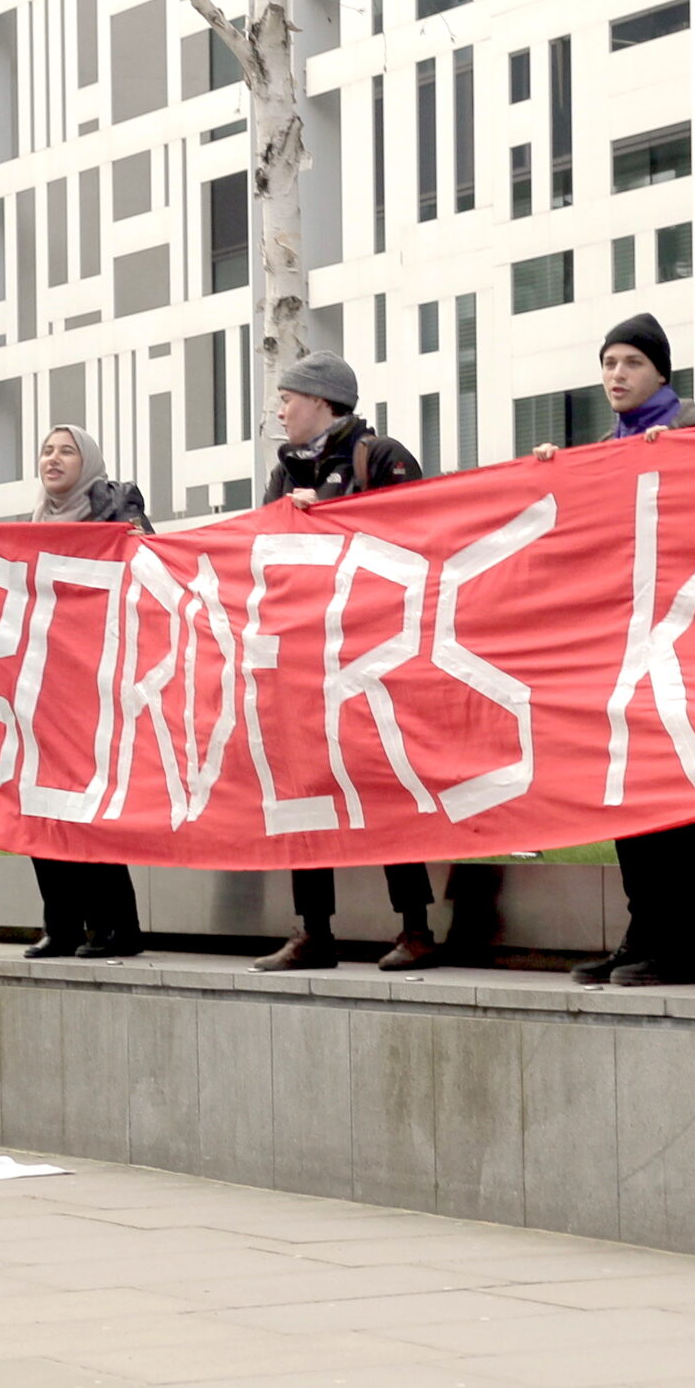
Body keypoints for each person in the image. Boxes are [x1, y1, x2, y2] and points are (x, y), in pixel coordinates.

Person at [532, 313, 695, 987]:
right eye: (609, 363)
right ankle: (645, 935)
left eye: (632, 363)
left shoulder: (692, 430)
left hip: (679, 643)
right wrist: (560, 478)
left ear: (661, 373)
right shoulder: (614, 446)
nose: (617, 374)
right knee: (629, 795)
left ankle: (687, 947)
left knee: (668, 798)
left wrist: (685, 463)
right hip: (628, 644)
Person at [245, 353, 445, 973]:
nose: (279, 412)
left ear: (324, 402)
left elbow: (420, 537)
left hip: (372, 654)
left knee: (385, 786)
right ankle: (314, 931)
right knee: (305, 789)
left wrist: (335, 519)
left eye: (288, 399)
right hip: (306, 659)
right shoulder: (283, 476)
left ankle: (416, 929)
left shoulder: (380, 457)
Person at [24, 424, 149, 959]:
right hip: (45, 682)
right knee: (40, 803)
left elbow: (146, 574)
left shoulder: (118, 510)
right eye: (47, 450)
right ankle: (63, 924)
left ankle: (114, 925)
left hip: (99, 679)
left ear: (88, 462)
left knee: (90, 804)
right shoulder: (27, 527)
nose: (54, 459)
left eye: (66, 451)